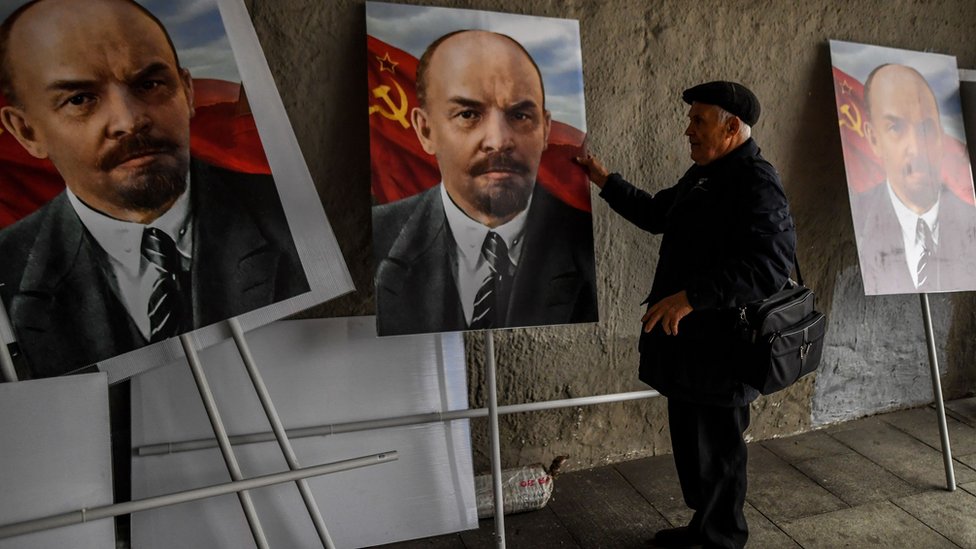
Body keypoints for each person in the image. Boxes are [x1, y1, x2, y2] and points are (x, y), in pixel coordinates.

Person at [0, 0, 309, 379]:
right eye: (80, 99)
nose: (130, 121)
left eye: (149, 84)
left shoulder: (294, 221)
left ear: (188, 92)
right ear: (26, 131)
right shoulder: (9, 273)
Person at [576, 81, 795, 549]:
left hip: (724, 347)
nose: (687, 130)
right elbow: (659, 213)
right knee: (695, 449)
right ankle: (705, 530)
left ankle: (722, 538)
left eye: (699, 120)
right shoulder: (704, 175)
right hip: (690, 347)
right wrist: (603, 178)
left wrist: (692, 297)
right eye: (690, 119)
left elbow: (770, 268)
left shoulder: (756, 181)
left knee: (719, 450)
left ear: (732, 126)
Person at [372, 30, 597, 336]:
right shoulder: (379, 241)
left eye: (519, 115)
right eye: (468, 114)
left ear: (545, 130)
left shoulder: (586, 247)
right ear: (425, 131)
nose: (498, 141)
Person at [854, 63, 976, 295]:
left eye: (926, 127)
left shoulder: (970, 222)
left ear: (941, 134)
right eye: (895, 128)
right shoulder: (864, 218)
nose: (916, 147)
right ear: (874, 139)